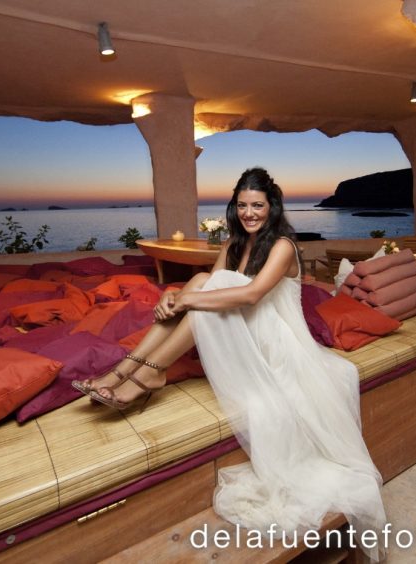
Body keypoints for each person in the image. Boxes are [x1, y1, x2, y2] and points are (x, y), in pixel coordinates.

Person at [73, 167, 386, 560]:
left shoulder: (284, 245)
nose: (249, 213)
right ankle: (132, 369)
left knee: (207, 288)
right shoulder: (235, 244)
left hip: (274, 344)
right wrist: (176, 296)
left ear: (272, 208)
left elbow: (251, 295)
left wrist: (185, 298)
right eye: (242, 205)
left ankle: (145, 372)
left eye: (257, 205)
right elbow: (211, 289)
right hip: (239, 329)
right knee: (202, 281)